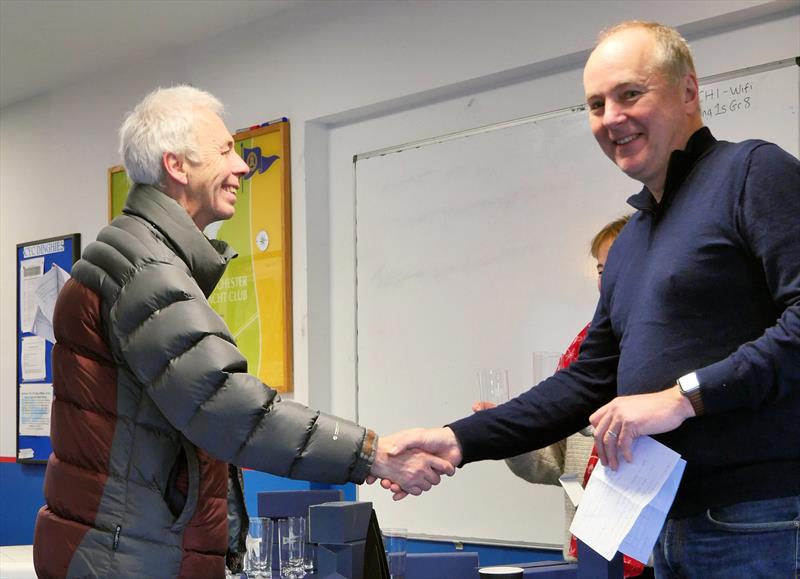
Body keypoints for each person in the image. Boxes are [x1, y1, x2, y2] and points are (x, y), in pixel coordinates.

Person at [384, 20, 800, 578]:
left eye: (630, 94)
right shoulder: (631, 241)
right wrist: (457, 439)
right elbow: (585, 381)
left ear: (688, 91)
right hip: (666, 526)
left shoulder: (753, 172)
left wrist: (683, 396)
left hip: (763, 519)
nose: (611, 118)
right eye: (596, 104)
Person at [32, 86, 453, 579]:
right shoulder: (144, 270)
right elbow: (230, 409)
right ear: (177, 166)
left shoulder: (137, 258)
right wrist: (372, 454)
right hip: (128, 560)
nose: (242, 166)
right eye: (225, 150)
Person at [474, 216, 646, 574]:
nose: (607, 279)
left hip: (657, 551)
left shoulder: (671, 344)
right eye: (601, 269)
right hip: (590, 552)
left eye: (616, 266)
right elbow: (553, 463)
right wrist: (507, 432)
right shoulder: (585, 350)